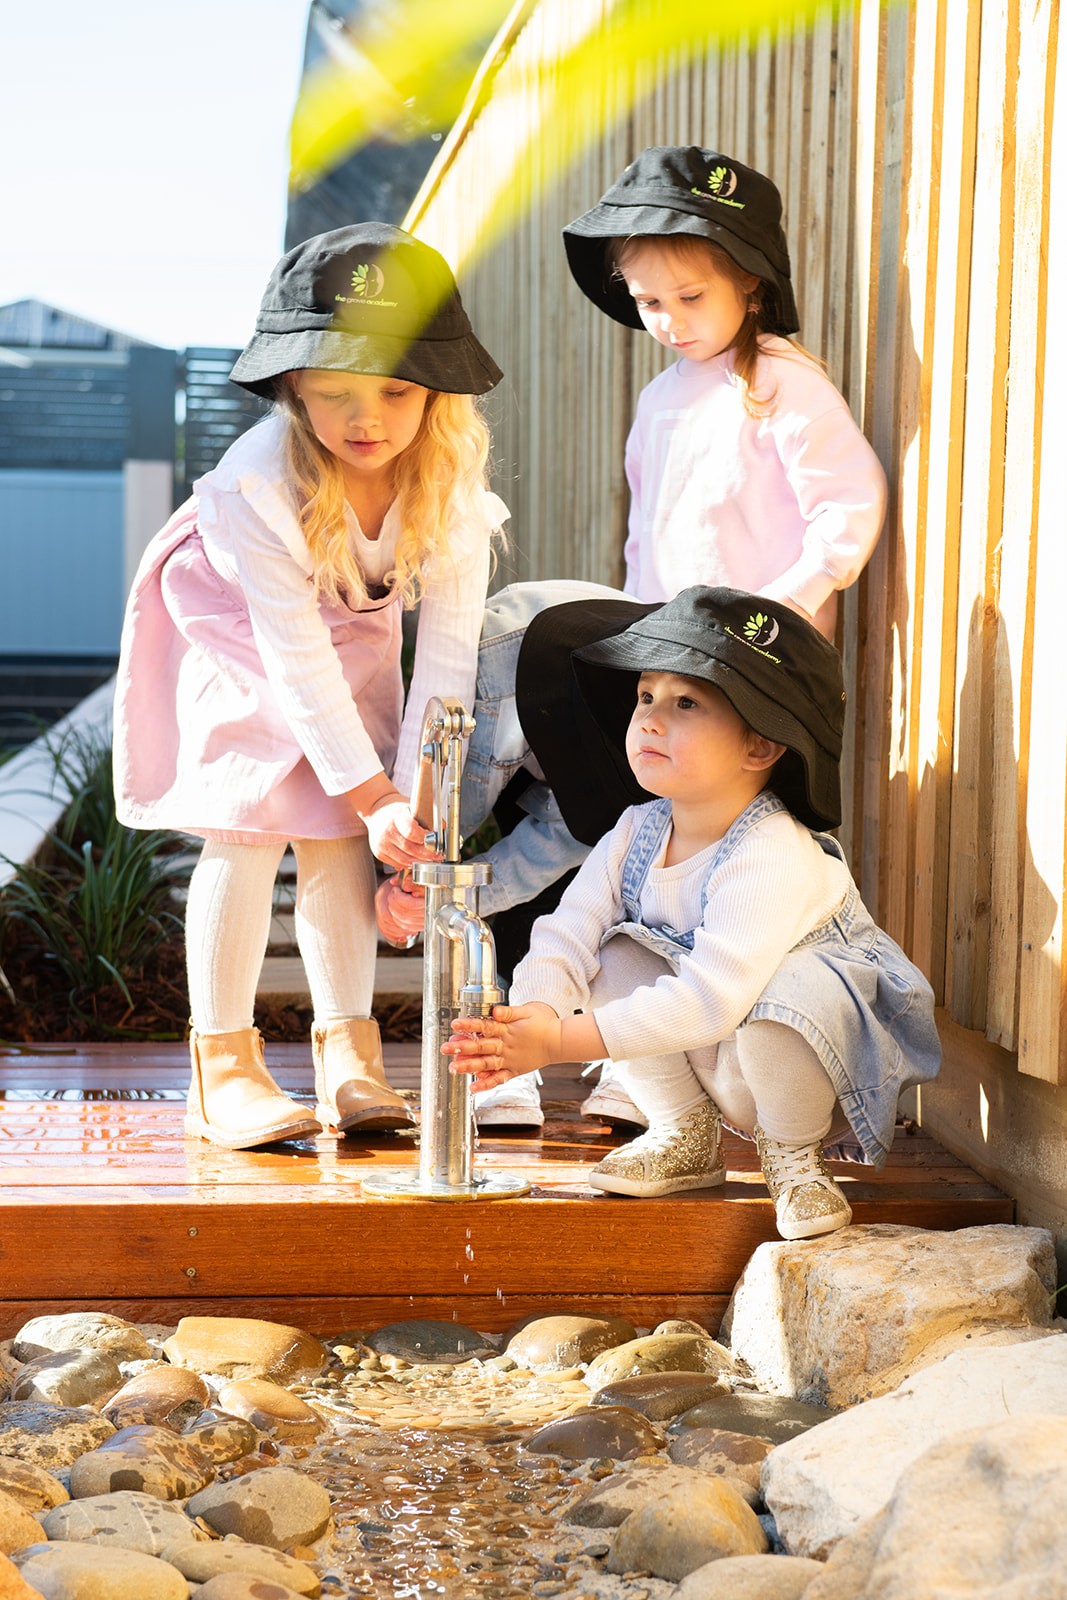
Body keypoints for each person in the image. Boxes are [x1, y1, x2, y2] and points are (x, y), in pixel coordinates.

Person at [113, 223, 505, 1151]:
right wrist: (369, 790)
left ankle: (350, 1058)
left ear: (436, 393)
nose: (365, 418)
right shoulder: (259, 484)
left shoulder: (447, 485)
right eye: (334, 394)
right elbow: (291, 656)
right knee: (253, 821)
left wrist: (410, 806)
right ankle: (224, 1068)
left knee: (341, 836)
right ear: (293, 386)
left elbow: (445, 657)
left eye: (396, 392)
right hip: (238, 613)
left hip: (348, 611)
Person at [445, 587, 941, 1241]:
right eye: (645, 696)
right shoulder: (636, 830)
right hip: (717, 1057)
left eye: (685, 704)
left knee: (787, 994)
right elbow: (568, 931)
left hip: (810, 1067)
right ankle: (683, 1133)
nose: (649, 719)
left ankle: (794, 1160)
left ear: (760, 748)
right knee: (616, 954)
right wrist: (536, 1013)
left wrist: (559, 1043)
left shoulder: (770, 849)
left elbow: (712, 1001)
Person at [561, 145, 887, 640]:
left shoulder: (781, 381)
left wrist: (792, 601)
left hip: (767, 653)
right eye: (648, 301)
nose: (670, 320)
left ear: (747, 278)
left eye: (691, 296)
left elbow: (850, 500)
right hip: (676, 647)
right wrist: (639, 622)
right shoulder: (655, 401)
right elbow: (643, 537)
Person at [375, 579, 658, 1129]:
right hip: (512, 663)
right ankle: (498, 1056)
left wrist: (437, 891)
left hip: (602, 687)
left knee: (608, 868)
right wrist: (409, 883)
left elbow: (569, 834)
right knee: (436, 845)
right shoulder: (496, 682)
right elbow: (432, 829)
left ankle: (631, 1059)